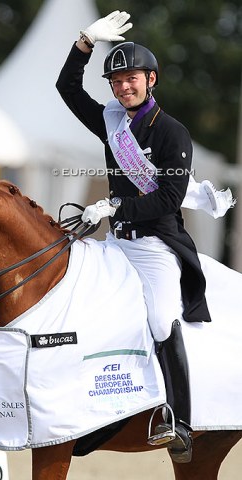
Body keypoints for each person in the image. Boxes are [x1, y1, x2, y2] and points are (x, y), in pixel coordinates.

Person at [56, 10, 213, 463]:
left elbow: (168, 197)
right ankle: (90, 413)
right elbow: (67, 89)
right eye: (117, 81)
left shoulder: (172, 132)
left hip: (155, 247)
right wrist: (84, 41)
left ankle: (179, 421)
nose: (124, 86)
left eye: (132, 79)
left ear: (151, 79)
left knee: (162, 319)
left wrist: (117, 205)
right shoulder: (111, 123)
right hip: (115, 244)